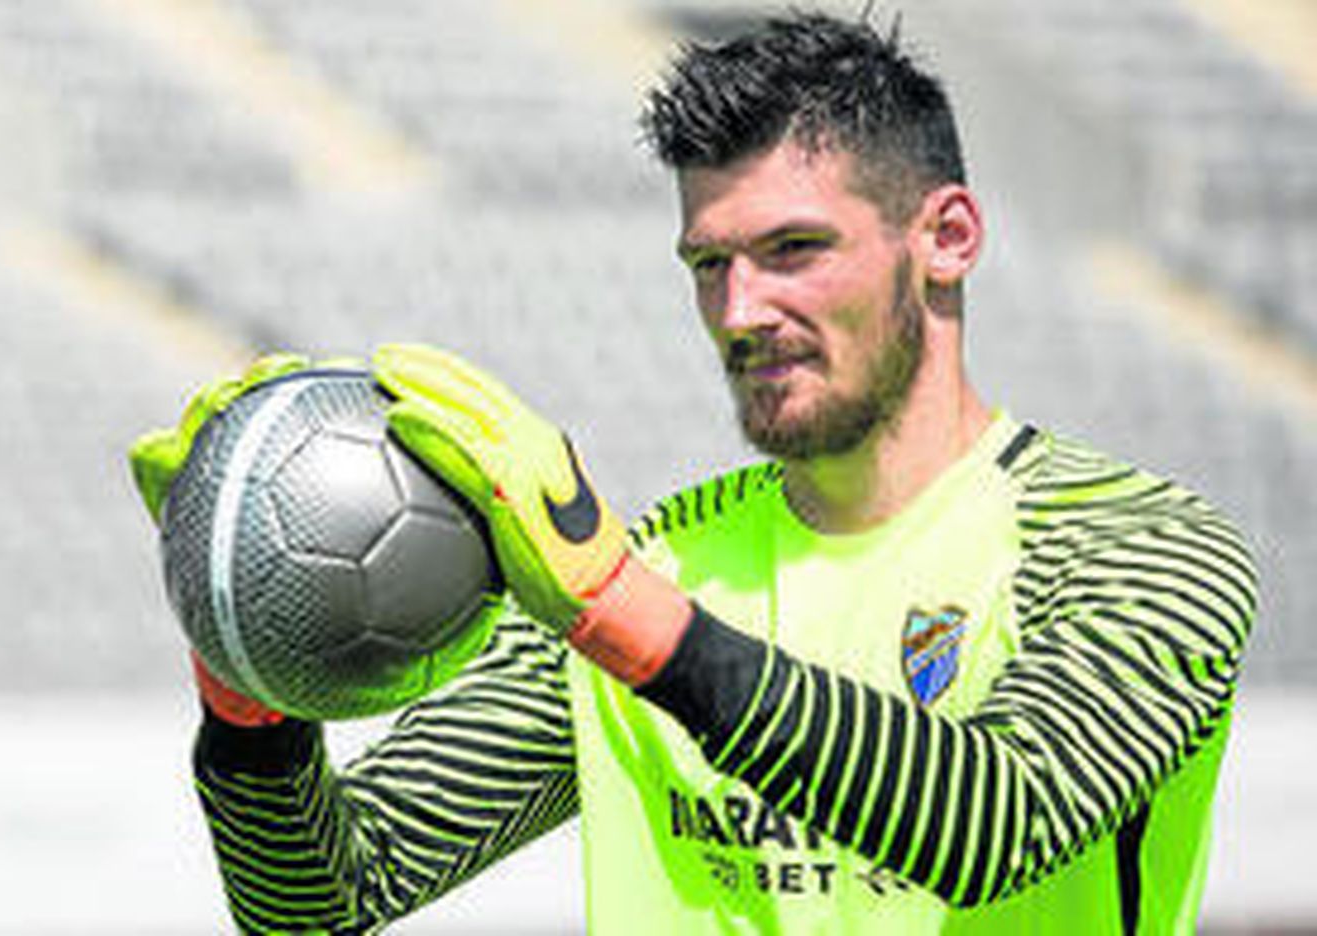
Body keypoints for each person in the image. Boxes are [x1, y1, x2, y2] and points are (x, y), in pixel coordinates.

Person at [129, 10, 1256, 934]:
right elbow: (318, 899)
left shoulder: (1143, 547)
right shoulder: (657, 569)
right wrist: (245, 657)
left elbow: (995, 823)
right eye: (708, 263)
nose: (739, 310)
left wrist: (626, 620)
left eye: (792, 251)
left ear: (946, 236)